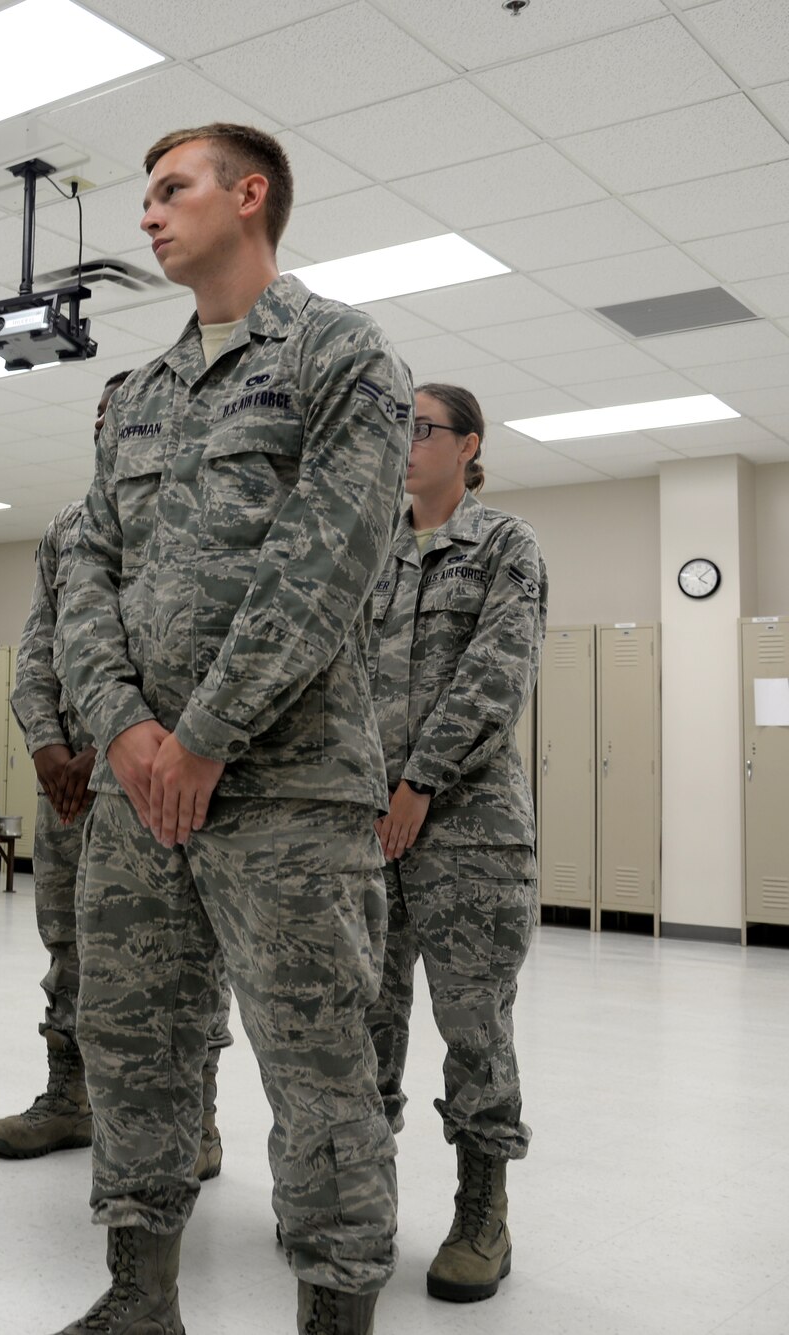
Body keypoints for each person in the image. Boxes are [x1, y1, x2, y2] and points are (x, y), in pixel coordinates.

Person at [55, 123, 411, 1334]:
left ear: (248, 196)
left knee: (316, 1068)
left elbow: (328, 562)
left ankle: (333, 1312)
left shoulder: (338, 354)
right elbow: (83, 570)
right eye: (144, 194)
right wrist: (122, 731)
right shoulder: (140, 395)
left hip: (284, 786)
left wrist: (200, 736)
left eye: (169, 190)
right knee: (132, 1043)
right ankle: (136, 1296)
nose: (145, 216)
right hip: (135, 791)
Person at [0, 374, 236, 1174]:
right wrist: (45, 747)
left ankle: (195, 1115)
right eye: (103, 416)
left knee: (188, 953)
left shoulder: (202, 512)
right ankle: (70, 1095)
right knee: (68, 944)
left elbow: (196, 648)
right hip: (69, 781)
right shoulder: (67, 529)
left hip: (156, 770)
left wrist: (113, 738)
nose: (113, 428)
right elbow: (40, 643)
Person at [365, 383, 545, 1304]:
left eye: (422, 427)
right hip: (368, 833)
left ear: (470, 444)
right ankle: (359, 1202)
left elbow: (494, 677)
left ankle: (483, 1216)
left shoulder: (506, 547)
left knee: (474, 1030)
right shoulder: (372, 552)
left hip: (470, 837)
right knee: (365, 1025)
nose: (405, 440)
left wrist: (419, 782)